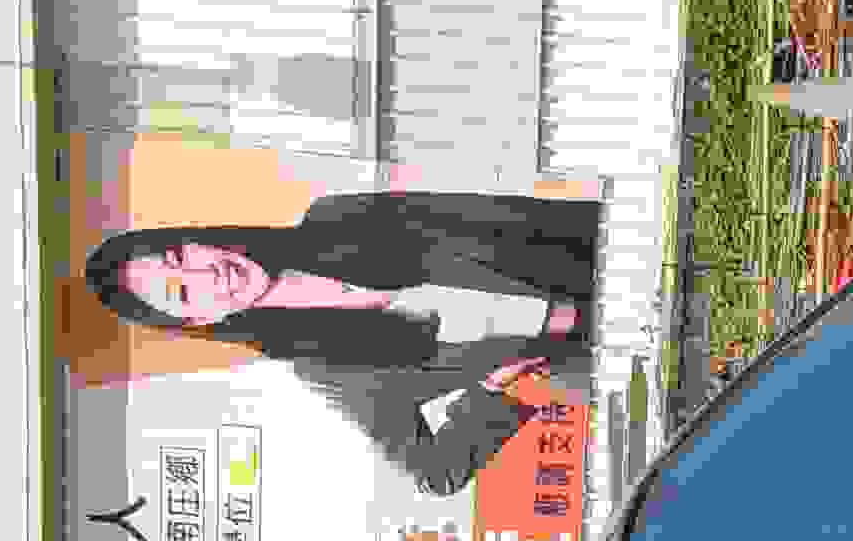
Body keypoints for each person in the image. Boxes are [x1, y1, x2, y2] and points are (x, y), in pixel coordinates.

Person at [88, 189, 602, 493]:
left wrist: (613, 227)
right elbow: (436, 472)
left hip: (601, 263)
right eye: (181, 293)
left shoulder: (338, 218)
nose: (207, 274)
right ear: (196, 320)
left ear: (196, 237)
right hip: (589, 360)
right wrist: (490, 393)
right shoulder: (322, 364)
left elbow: (503, 215)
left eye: (179, 257)